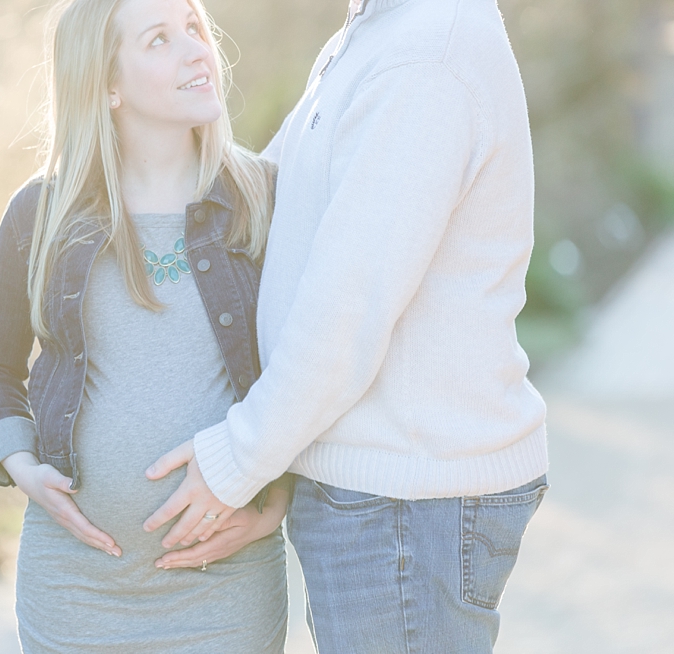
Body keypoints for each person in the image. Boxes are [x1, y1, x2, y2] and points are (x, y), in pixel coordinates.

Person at [144, 0, 550, 651]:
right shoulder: (376, 32)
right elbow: (266, 203)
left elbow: (347, 310)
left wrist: (237, 462)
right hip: (383, 495)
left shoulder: (427, 49)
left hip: (405, 502)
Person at [0, 0, 290, 651]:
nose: (197, 49)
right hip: (75, 590)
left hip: (224, 590)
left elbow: (313, 373)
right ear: (106, 82)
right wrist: (22, 467)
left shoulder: (264, 199)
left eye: (195, 29)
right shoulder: (41, 213)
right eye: (160, 40)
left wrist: (282, 496)